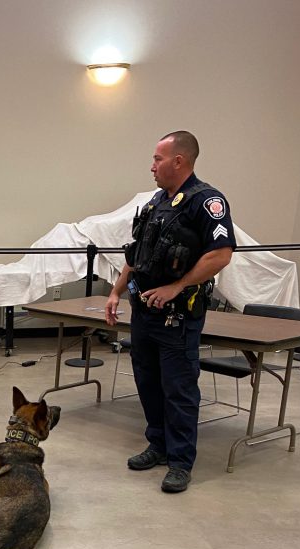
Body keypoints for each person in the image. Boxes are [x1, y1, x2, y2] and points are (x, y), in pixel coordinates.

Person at [105, 131, 235, 493]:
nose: (152, 166)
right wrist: (116, 292)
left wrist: (177, 286)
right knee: (148, 383)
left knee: (178, 389)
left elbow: (220, 255)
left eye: (157, 159)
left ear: (179, 160)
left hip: (178, 317)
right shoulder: (156, 203)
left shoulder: (206, 201)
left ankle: (180, 461)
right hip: (144, 313)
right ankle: (158, 445)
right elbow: (138, 256)